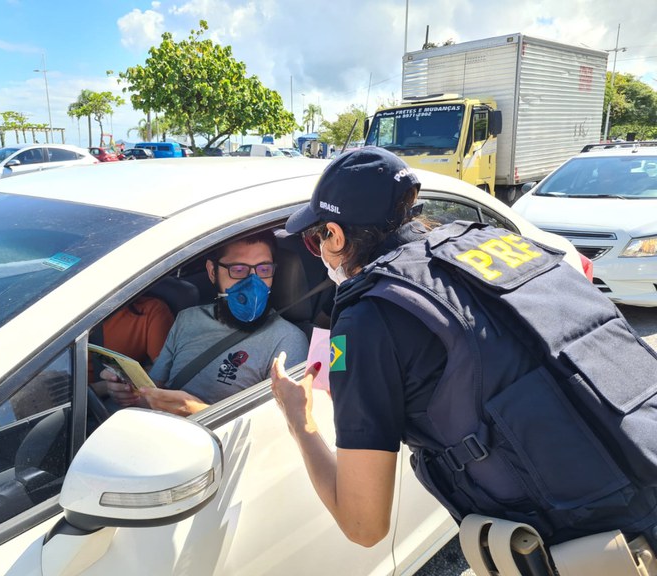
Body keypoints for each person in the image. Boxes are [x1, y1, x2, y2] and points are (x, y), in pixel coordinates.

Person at [270, 147, 657, 569]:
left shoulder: (369, 319)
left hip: (601, 552)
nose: (319, 251)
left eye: (315, 240)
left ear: (336, 235)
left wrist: (300, 422)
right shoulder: (488, 241)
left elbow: (364, 525)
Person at [106, 230, 309, 417]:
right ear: (212, 272)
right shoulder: (187, 319)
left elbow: (277, 431)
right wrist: (131, 395)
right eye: (238, 270)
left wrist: (198, 412)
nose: (253, 282)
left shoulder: (287, 340)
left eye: (264, 269)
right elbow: (154, 390)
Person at [88, 294, 175, 397]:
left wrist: (108, 386)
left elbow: (162, 372)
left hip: (102, 401)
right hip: (71, 392)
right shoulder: (68, 307)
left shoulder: (151, 310)